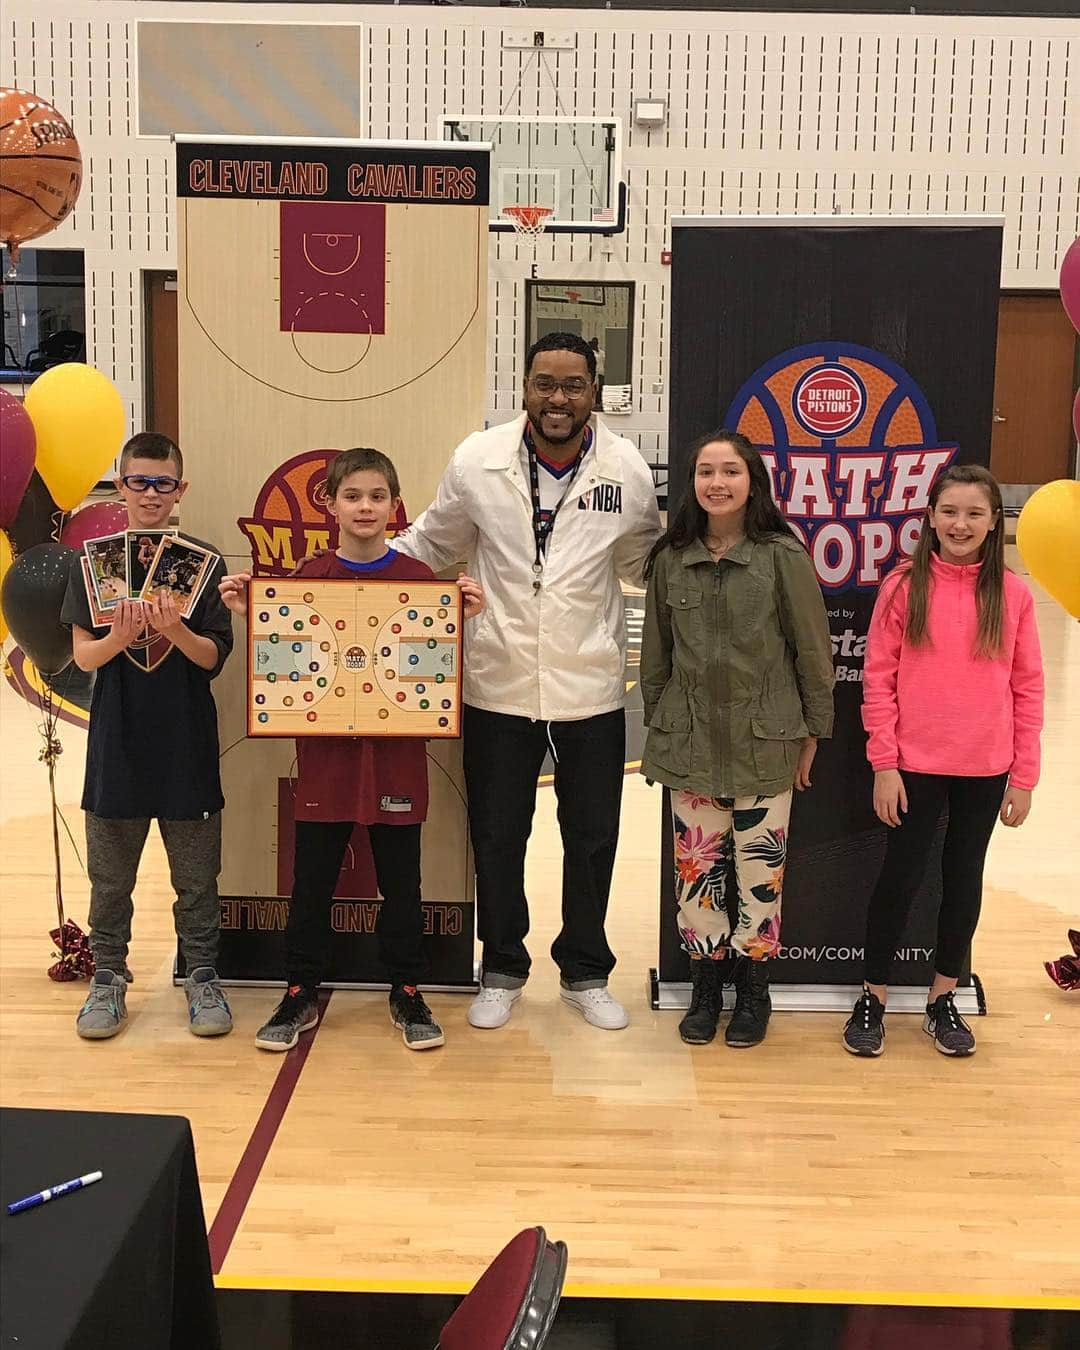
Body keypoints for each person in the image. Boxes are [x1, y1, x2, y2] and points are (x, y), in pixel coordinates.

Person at [394, 332, 662, 1031]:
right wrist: (335, 580)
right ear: (525, 387)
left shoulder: (625, 471)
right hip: (498, 682)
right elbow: (431, 543)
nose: (558, 398)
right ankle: (504, 966)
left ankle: (584, 970)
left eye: (573, 385)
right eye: (545, 382)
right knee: (498, 835)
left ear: (594, 392)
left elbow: (643, 566)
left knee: (594, 836)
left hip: (591, 690)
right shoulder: (477, 460)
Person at [220, 448, 484, 1052]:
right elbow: (287, 669)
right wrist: (253, 618)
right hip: (326, 759)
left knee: (402, 881)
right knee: (311, 881)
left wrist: (464, 620)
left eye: (377, 497)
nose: (365, 508)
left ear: (395, 506)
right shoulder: (309, 578)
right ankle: (299, 989)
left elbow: (431, 678)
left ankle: (407, 989)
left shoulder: (421, 583)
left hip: (395, 759)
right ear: (331, 504)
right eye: (353, 497)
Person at [640, 429, 834, 1048]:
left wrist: (813, 732)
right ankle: (704, 989)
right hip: (690, 747)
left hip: (767, 745)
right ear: (691, 484)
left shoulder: (781, 556)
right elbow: (656, 656)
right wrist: (662, 725)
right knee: (695, 879)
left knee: (759, 878)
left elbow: (812, 650)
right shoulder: (672, 560)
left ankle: (754, 992)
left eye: (730, 472)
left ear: (753, 482)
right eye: (705, 473)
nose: (717, 483)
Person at [843, 464, 1044, 1059]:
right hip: (914, 766)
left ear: (992, 522)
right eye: (950, 511)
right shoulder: (905, 588)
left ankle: (942, 998)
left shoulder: (1013, 595)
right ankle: (873, 996)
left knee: (962, 880)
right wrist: (885, 762)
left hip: (985, 769)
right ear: (930, 516)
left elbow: (1028, 688)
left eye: (974, 513)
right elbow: (877, 680)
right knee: (900, 878)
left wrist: (1024, 776)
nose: (961, 524)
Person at [62, 432, 234, 1040]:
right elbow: (84, 657)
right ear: (121, 484)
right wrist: (120, 634)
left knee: (196, 878)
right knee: (110, 879)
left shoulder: (206, 562)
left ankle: (203, 974)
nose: (151, 494)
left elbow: (213, 656)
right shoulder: (96, 559)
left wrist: (174, 629)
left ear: (180, 489)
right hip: (118, 746)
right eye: (139, 481)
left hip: (188, 746)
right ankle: (107, 976)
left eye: (164, 483)